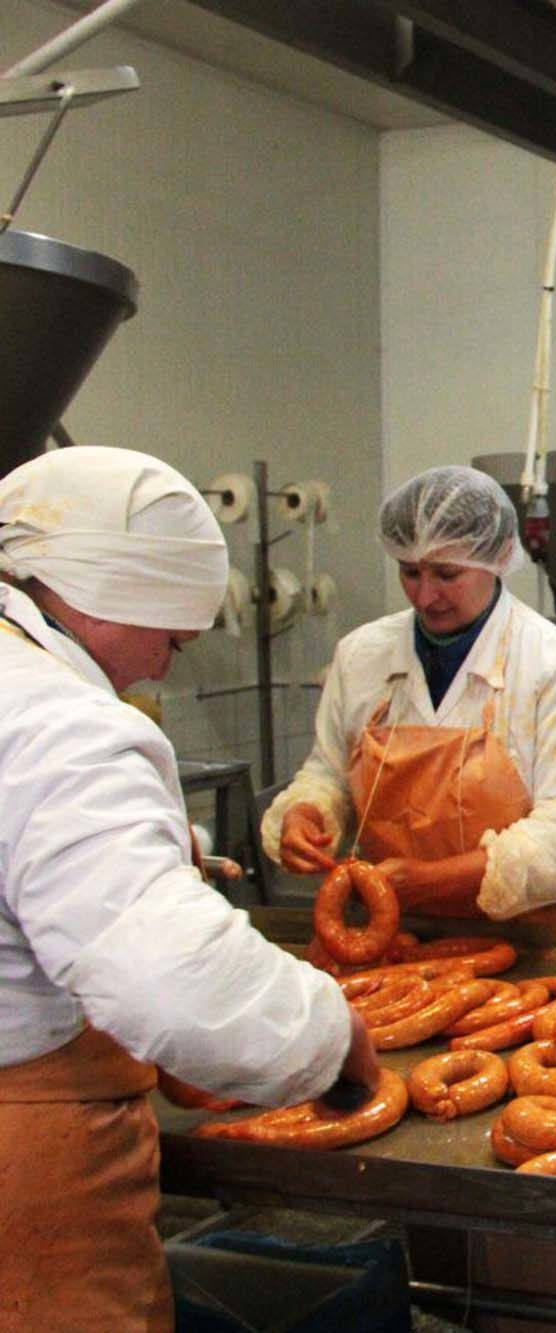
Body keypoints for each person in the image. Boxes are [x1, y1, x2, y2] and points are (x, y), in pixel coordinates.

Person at [0, 446, 377, 1329]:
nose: (167, 665)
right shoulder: (61, 722)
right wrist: (329, 1036)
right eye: (170, 637)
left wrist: (175, 854)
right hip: (27, 1158)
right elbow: (168, 977)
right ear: (113, 592)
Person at [263, 465, 556, 925]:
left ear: (498, 557)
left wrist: (433, 880)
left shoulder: (551, 666)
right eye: (410, 572)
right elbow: (329, 772)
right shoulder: (361, 655)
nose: (425, 596)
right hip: (393, 931)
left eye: (447, 574)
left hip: (531, 935)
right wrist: (308, 813)